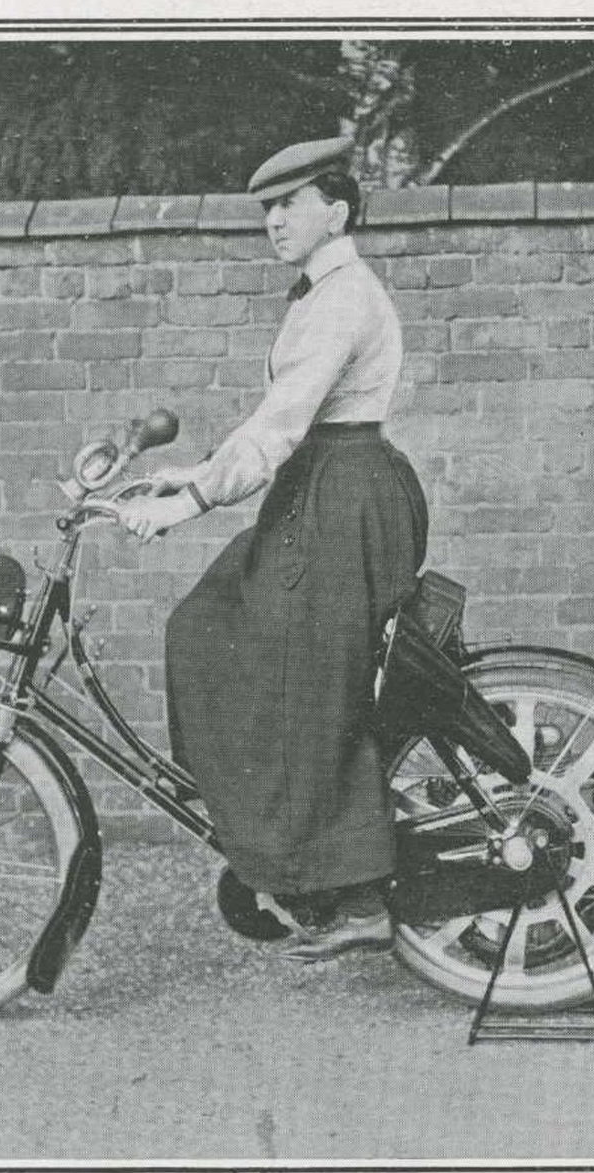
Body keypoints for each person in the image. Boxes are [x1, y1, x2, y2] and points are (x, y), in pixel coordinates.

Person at [116, 135, 428, 962]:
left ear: (339, 208)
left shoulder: (342, 298)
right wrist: (186, 475)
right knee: (204, 633)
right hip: (321, 491)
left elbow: (283, 425)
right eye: (266, 207)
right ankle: (285, 862)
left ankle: (352, 893)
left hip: (345, 497)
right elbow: (280, 425)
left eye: (292, 203)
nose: (275, 219)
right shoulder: (321, 293)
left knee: (307, 683)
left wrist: (190, 501)